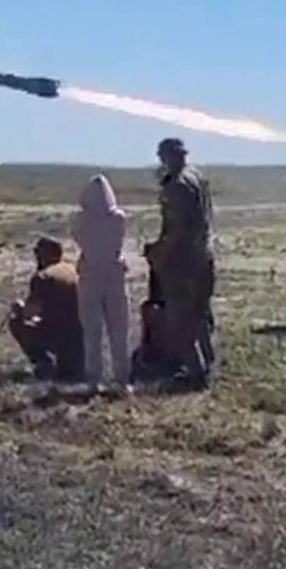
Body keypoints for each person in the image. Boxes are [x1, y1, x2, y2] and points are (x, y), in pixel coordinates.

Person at [136, 137, 217, 388]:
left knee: (180, 319)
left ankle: (195, 373)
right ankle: (209, 361)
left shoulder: (176, 186)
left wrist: (159, 251)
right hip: (204, 255)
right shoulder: (197, 177)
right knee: (200, 314)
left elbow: (177, 229)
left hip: (183, 262)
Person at [73, 173, 133, 394]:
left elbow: (77, 237)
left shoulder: (81, 219)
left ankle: (93, 379)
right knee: (118, 329)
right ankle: (122, 379)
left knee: (92, 330)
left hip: (90, 275)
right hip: (114, 274)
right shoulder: (118, 218)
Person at [7, 236, 84, 380]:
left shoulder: (43, 277)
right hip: (82, 335)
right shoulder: (72, 269)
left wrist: (19, 308)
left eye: (38, 252)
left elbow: (30, 312)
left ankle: (43, 364)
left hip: (60, 335)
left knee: (16, 323)